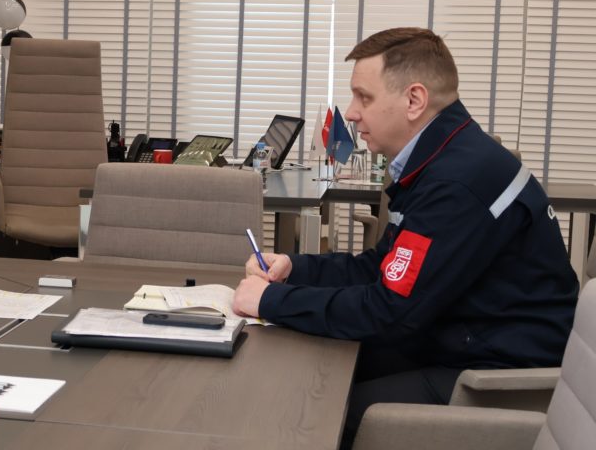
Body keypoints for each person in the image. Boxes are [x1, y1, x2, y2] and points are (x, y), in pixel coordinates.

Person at [232, 27, 578, 448]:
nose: (351, 113)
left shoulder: (456, 183)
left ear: (414, 100)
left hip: (496, 372)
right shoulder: (444, 158)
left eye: (364, 97)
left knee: (318, 407)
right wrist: (296, 269)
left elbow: (389, 312)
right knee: (307, 364)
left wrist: (271, 301)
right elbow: (383, 267)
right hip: (460, 335)